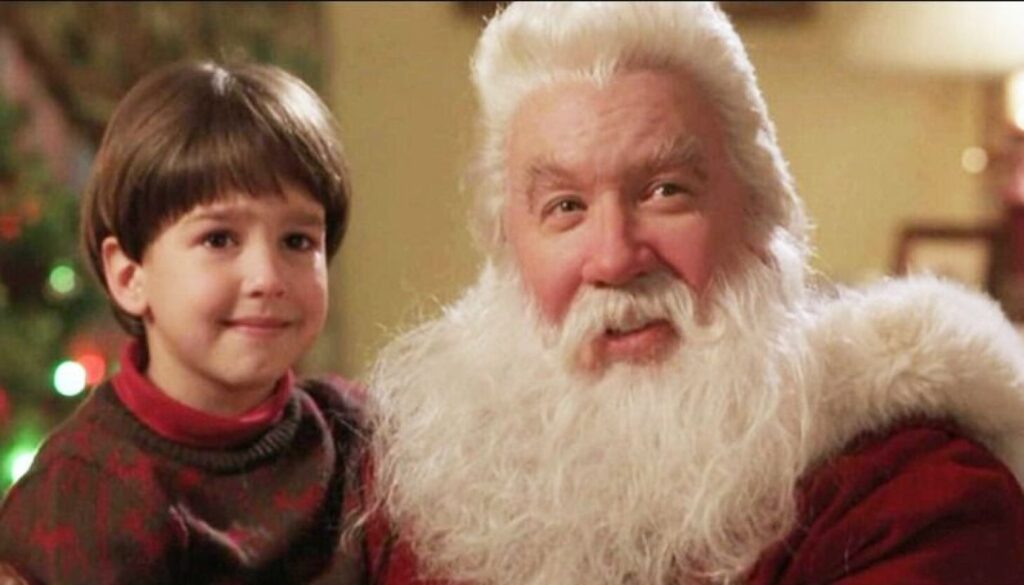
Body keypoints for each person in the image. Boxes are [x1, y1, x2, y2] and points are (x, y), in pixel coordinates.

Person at [364, 3, 1024, 584]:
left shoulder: (911, 494)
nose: (616, 256)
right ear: (507, 250)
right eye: (565, 206)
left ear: (763, 215)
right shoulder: (428, 495)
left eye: (665, 191)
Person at [0, 60, 366, 584]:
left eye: (297, 241)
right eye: (219, 239)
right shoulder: (82, 495)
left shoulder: (353, 434)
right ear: (129, 276)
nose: (266, 277)